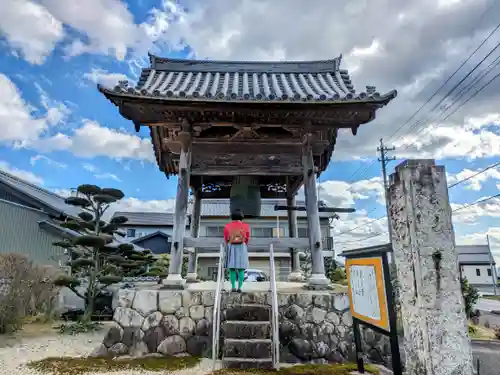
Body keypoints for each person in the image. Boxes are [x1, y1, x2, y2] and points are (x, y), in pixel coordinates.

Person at [223, 209, 250, 293]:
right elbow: (247, 237)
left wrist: (230, 243)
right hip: (242, 246)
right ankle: (240, 287)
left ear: (232, 217)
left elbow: (226, 238)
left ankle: (233, 286)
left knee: (232, 268)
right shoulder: (245, 226)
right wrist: (243, 243)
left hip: (231, 246)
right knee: (241, 269)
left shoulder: (227, 226)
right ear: (241, 217)